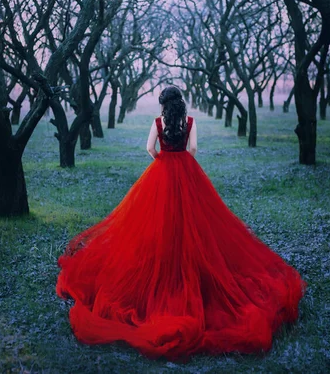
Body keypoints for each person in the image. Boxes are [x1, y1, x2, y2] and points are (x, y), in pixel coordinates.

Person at [56, 86, 306, 361]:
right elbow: (194, 148)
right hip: (187, 173)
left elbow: (149, 148)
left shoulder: (158, 122)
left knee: (156, 227)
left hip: (161, 173)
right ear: (182, 105)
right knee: (196, 227)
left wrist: (162, 161)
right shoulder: (190, 122)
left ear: (163, 105)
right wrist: (184, 163)